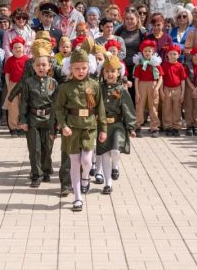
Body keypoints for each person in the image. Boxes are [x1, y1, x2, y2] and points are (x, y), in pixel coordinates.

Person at [55, 48, 107, 211]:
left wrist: (103, 129)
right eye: (76, 68)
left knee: (86, 160)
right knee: (75, 162)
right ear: (70, 68)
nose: (80, 71)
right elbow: (59, 109)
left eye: (84, 68)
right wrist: (63, 125)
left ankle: (86, 178)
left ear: (89, 67)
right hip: (71, 127)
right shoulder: (65, 87)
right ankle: (77, 197)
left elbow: (100, 108)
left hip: (89, 127)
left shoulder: (95, 85)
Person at [18, 40, 58, 187]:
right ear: (33, 67)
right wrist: (22, 120)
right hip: (33, 118)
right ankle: (36, 175)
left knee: (47, 147)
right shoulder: (28, 82)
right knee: (34, 149)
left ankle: (46, 170)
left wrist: (57, 123)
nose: (41, 67)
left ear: (49, 66)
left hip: (48, 119)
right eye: (38, 65)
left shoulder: (54, 83)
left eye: (44, 65)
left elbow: (56, 105)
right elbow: (24, 102)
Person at [97, 54, 136, 193]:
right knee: (105, 154)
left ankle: (116, 165)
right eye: (107, 71)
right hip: (102, 126)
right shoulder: (98, 88)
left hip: (117, 125)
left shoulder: (121, 90)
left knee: (115, 151)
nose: (110, 74)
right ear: (103, 72)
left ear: (118, 72)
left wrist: (131, 127)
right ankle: (108, 184)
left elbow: (128, 109)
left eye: (113, 71)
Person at [133, 39, 163, 137]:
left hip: (153, 85)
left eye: (149, 51)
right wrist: (137, 92)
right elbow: (136, 79)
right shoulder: (139, 65)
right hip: (141, 85)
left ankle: (154, 127)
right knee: (139, 106)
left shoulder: (156, 64)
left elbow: (160, 78)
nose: (147, 53)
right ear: (142, 52)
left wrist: (157, 89)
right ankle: (138, 126)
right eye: (145, 51)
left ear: (153, 52)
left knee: (153, 106)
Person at [4, 37, 29, 136]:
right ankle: (13, 127)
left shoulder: (28, 60)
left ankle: (22, 126)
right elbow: (7, 74)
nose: (18, 49)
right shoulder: (10, 60)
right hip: (13, 85)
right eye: (15, 48)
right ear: (12, 49)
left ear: (23, 48)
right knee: (13, 107)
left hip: (24, 85)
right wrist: (8, 86)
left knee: (23, 107)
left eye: (19, 47)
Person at [160, 44, 186, 137]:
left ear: (178, 55)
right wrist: (161, 91)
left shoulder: (180, 66)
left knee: (177, 108)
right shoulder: (164, 65)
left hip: (177, 88)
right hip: (167, 88)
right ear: (167, 55)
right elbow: (161, 78)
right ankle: (168, 126)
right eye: (170, 54)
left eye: (175, 54)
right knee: (167, 108)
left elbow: (183, 79)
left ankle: (176, 127)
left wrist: (182, 92)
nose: (172, 56)